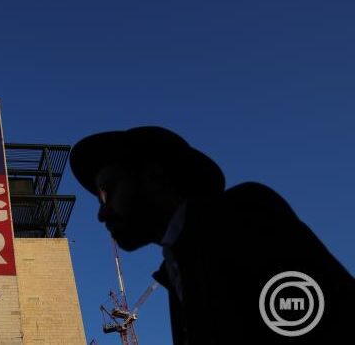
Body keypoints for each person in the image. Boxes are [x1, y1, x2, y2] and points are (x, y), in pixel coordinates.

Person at [69, 126, 354, 345]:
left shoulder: (243, 216)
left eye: (107, 192)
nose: (102, 213)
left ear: (153, 176)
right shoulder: (176, 270)